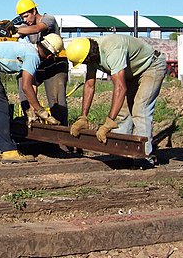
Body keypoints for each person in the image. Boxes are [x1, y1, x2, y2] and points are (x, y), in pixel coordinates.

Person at [66, 34, 167, 166]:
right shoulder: (90, 52)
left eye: (84, 62)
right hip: (132, 73)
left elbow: (120, 88)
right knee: (123, 112)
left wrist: (109, 121)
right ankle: (120, 153)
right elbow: (90, 85)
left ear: (88, 56)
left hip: (151, 66)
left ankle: (144, 156)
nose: (85, 65)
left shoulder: (112, 50)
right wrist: (83, 117)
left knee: (140, 109)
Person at [0, 34, 64, 163]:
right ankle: (8, 151)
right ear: (50, 56)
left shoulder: (28, 48)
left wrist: (32, 109)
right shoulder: (33, 56)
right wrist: (41, 111)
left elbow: (31, 83)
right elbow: (26, 86)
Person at [14, 0, 69, 127]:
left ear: (34, 11)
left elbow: (38, 28)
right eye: (22, 17)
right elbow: (16, 34)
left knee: (56, 101)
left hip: (55, 64)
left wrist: (15, 29)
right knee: (23, 81)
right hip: (39, 63)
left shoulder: (48, 19)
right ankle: (31, 117)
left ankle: (62, 135)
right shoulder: (25, 26)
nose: (25, 20)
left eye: (26, 16)